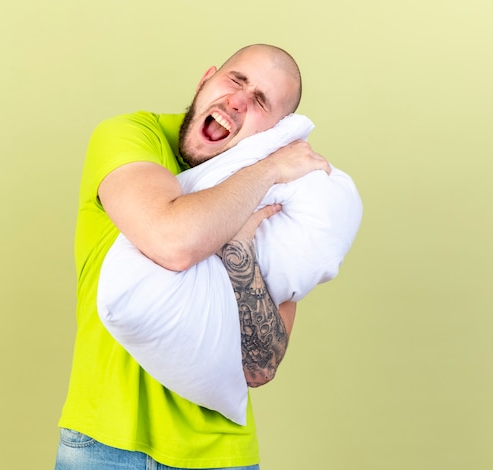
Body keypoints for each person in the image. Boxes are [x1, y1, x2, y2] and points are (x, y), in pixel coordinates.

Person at [55, 44, 330, 469]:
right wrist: (268, 170)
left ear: (276, 131)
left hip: (222, 455)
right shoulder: (132, 136)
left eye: (259, 102)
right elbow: (172, 240)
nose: (237, 100)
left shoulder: (282, 200)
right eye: (235, 80)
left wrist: (239, 250)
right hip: (104, 445)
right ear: (206, 79)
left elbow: (260, 368)